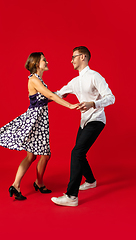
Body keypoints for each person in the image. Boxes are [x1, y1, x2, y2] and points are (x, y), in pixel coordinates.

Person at [0, 52, 79, 200]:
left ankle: (23, 184)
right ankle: (30, 183)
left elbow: (45, 99)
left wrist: (59, 95)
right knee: (42, 155)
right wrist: (69, 105)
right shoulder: (34, 79)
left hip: (39, 120)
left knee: (33, 155)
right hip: (35, 121)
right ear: (36, 64)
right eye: (43, 60)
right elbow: (50, 96)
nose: (47, 62)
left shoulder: (39, 80)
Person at [51, 46, 115, 206]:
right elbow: (58, 94)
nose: (71, 60)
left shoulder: (95, 76)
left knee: (77, 152)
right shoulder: (75, 81)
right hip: (84, 122)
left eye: (73, 56)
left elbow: (111, 98)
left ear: (83, 57)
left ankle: (72, 196)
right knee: (80, 153)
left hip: (97, 119)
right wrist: (39, 94)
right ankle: (91, 181)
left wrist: (93, 103)